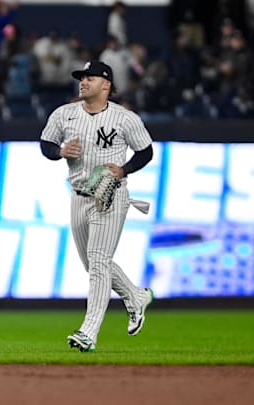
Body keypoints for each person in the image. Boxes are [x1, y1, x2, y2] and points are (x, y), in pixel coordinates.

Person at [39, 60, 154, 353]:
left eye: (90, 78)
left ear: (106, 85)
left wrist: (124, 170)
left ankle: (88, 333)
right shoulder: (63, 114)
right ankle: (135, 295)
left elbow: (146, 151)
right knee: (92, 264)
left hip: (111, 195)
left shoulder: (124, 118)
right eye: (82, 78)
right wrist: (60, 151)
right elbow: (46, 144)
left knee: (99, 262)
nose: (83, 82)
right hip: (78, 194)